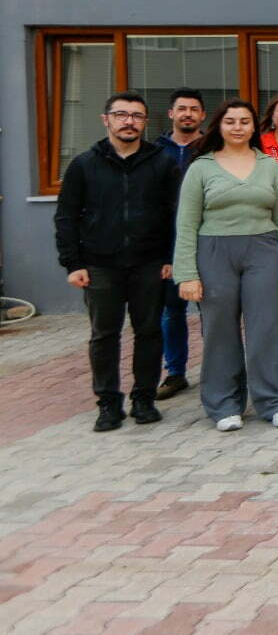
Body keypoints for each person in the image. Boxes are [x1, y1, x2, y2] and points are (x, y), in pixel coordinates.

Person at [173, 100, 278, 432]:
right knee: (220, 329)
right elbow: (186, 224)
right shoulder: (201, 167)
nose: (237, 127)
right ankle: (224, 405)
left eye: (244, 121)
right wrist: (187, 274)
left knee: (268, 326)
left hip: (264, 251)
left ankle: (275, 402)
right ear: (219, 125)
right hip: (214, 251)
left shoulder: (268, 165)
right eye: (230, 121)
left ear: (254, 127)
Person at [55, 92, 179, 432]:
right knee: (104, 335)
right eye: (121, 114)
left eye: (137, 116)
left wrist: (170, 257)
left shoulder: (162, 162)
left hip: (150, 263)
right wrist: (73, 263)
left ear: (145, 122)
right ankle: (108, 403)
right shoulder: (84, 164)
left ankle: (144, 399)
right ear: (105, 119)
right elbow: (66, 216)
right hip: (99, 264)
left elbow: (175, 214)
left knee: (150, 332)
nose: (129, 121)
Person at [154, 87, 206, 400]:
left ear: (202, 116)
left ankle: (218, 368)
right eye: (181, 109)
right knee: (171, 313)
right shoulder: (155, 152)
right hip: (168, 247)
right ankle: (175, 372)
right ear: (171, 114)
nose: (187, 114)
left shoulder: (210, 150)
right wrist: (163, 254)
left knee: (212, 313)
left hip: (208, 244)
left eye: (193, 109)